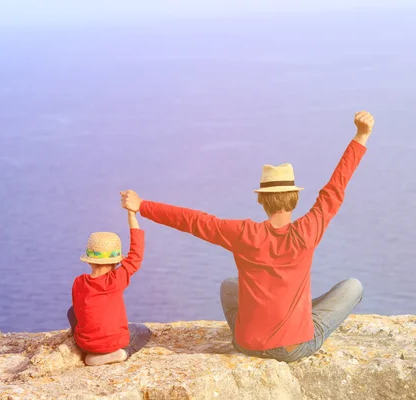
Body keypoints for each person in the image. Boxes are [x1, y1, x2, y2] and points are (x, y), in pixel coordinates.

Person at [120, 111, 375, 362]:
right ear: (295, 198)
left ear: (262, 200)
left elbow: (193, 221)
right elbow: (335, 188)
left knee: (229, 286)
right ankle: (294, 315)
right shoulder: (308, 230)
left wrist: (142, 205)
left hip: (247, 344)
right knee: (353, 287)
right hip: (292, 348)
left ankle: (280, 318)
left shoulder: (243, 234)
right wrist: (361, 136)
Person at [67, 208, 151, 366]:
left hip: (86, 343)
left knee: (72, 311)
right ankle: (123, 353)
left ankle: (89, 351)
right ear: (116, 261)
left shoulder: (78, 282)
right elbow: (136, 254)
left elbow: (80, 311)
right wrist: (132, 216)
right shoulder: (116, 279)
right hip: (115, 342)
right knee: (144, 331)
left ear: (90, 260)